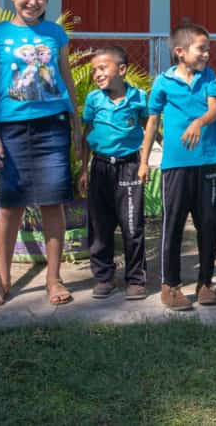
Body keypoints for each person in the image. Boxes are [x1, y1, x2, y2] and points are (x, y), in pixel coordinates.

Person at [0, 0, 82, 308]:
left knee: (53, 201)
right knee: (11, 204)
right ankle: (2, 280)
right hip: (11, 130)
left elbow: (66, 79)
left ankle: (53, 279)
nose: (33, 0)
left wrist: (77, 124)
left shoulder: (56, 34)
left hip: (52, 126)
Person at [139, 23, 216, 311]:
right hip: (176, 164)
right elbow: (152, 122)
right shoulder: (163, 83)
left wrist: (198, 122)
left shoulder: (209, 76)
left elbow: (215, 109)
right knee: (173, 225)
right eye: (201, 48)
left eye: (208, 49)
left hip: (208, 160)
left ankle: (205, 283)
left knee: (208, 223)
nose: (206, 54)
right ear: (180, 52)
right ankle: (171, 285)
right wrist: (144, 161)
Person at [79, 46, 149, 301]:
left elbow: (148, 127)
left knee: (132, 225)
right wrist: (84, 169)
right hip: (100, 167)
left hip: (129, 166)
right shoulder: (93, 100)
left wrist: (148, 160)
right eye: (93, 70)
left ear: (121, 70)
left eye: (102, 68)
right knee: (99, 225)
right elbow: (86, 135)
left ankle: (135, 279)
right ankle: (104, 277)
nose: (96, 74)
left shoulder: (139, 97)